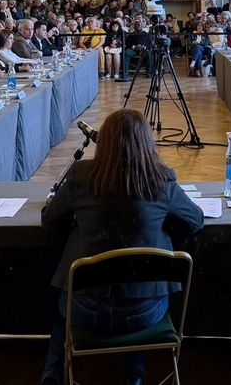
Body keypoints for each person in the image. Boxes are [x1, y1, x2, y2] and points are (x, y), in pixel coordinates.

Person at [40, 109, 204, 385]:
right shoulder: (161, 180)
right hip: (144, 312)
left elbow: (50, 222)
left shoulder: (82, 175)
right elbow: (195, 221)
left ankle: (52, 376)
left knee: (61, 312)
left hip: (85, 308)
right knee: (137, 295)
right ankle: (134, 376)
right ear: (147, 143)